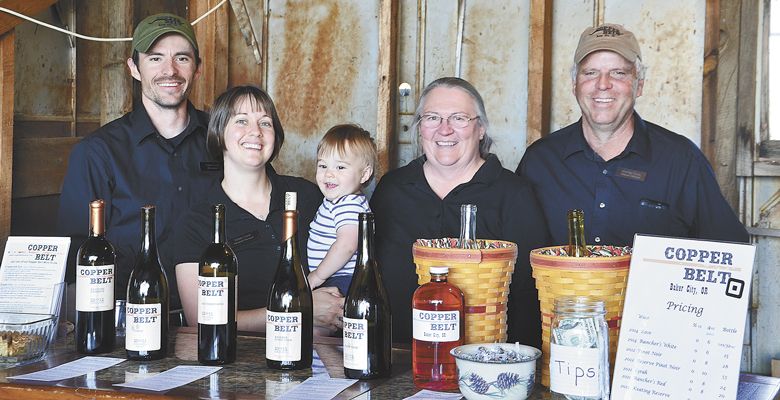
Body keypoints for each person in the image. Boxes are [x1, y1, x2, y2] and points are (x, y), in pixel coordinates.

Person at [516, 23, 749, 246]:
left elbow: (729, 252)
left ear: (639, 85)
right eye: (590, 73)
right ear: (574, 85)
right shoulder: (540, 161)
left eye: (618, 73)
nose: (603, 84)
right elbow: (516, 254)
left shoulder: (681, 161)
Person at [370, 77, 551, 347]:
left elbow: (531, 294)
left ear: (480, 129)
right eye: (432, 118)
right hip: (396, 360)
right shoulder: (391, 190)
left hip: (485, 366)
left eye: (459, 118)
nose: (444, 130)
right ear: (420, 128)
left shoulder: (513, 194)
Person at [57, 13, 218, 314]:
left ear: (198, 68)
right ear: (133, 68)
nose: (170, 70)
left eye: (182, 58)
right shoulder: (97, 152)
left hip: (217, 312)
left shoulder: (224, 142)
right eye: (155, 58)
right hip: (129, 317)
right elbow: (76, 252)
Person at [174, 85, 344, 334]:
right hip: (242, 361)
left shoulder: (309, 196)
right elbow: (200, 319)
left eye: (265, 123)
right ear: (219, 132)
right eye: (241, 121)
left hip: (324, 354)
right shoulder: (197, 222)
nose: (255, 132)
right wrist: (299, 308)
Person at [307, 124, 377, 294]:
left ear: (364, 174)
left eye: (340, 167)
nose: (329, 174)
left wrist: (317, 276)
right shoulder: (340, 200)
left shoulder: (348, 204)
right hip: (336, 276)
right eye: (323, 166)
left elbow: (347, 245)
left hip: (343, 280)